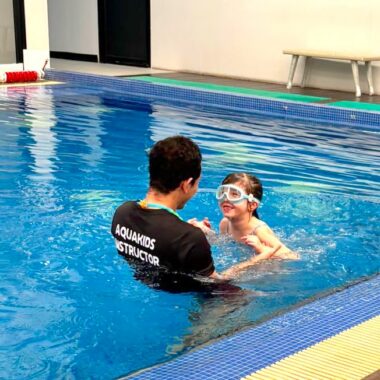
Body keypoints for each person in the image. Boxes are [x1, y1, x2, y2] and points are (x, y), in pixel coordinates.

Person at [111, 136, 276, 291]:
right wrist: (258, 259)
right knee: (245, 296)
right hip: (188, 295)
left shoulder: (122, 212)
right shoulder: (188, 237)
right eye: (196, 184)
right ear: (186, 184)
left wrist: (184, 230)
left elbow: (154, 239)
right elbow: (217, 282)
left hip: (142, 283)